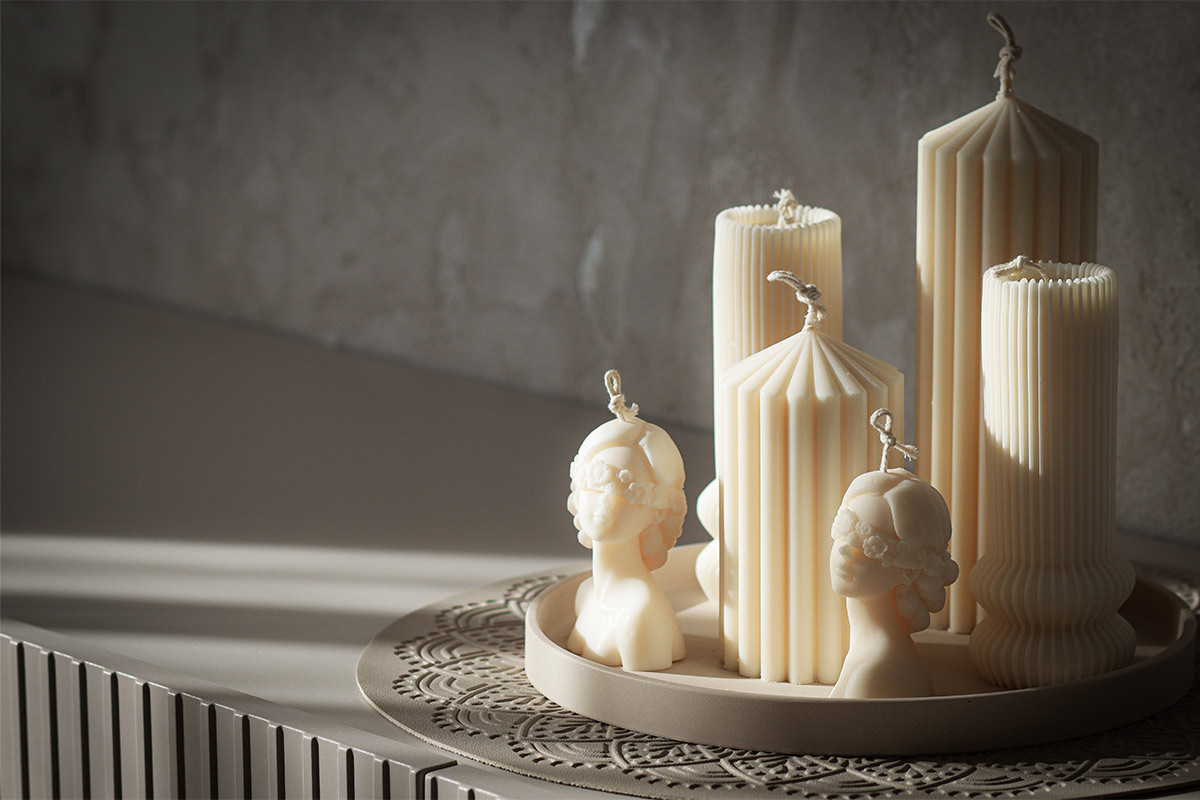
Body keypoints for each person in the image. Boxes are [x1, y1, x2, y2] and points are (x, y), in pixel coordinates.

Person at [566, 371, 687, 672]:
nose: (603, 503)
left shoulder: (641, 615)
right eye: (594, 485)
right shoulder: (586, 595)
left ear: (657, 510)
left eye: (628, 491)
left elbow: (650, 701)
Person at [828, 467, 959, 698]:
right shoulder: (867, 654)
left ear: (908, 572)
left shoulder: (879, 672)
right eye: (843, 531)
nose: (845, 552)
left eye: (869, 546)